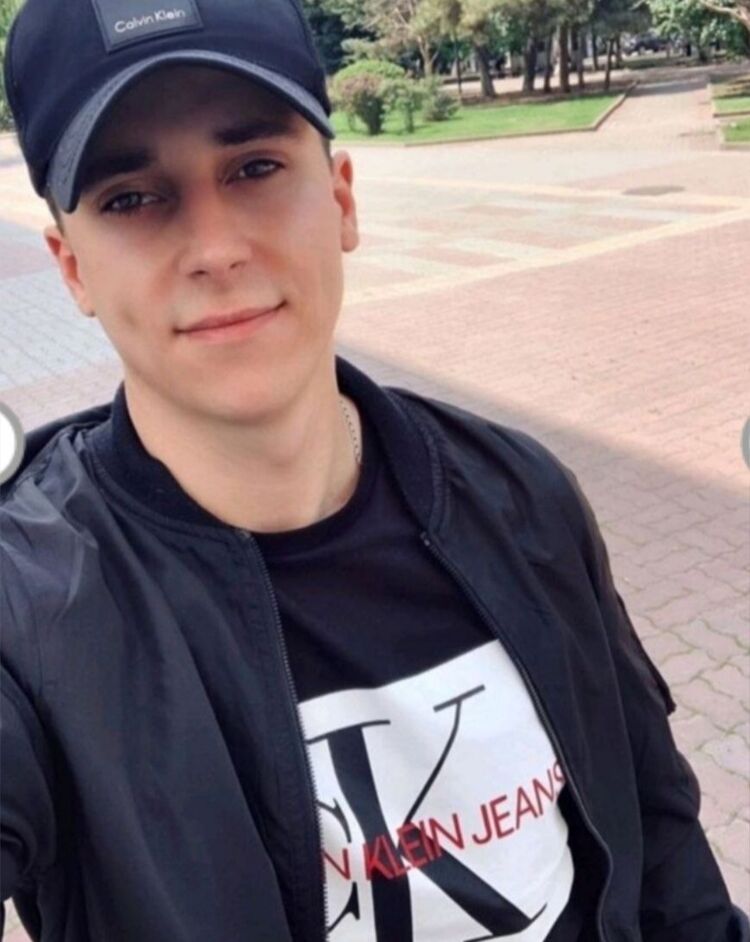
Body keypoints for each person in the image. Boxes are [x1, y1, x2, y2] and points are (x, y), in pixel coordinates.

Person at [1, 1, 748, 940]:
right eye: (131, 199)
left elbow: (661, 844)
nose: (217, 249)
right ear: (72, 268)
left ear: (343, 200)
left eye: (255, 167)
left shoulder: (520, 492)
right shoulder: (27, 612)